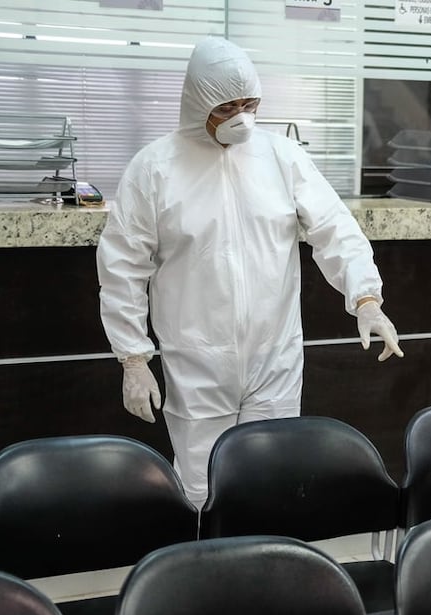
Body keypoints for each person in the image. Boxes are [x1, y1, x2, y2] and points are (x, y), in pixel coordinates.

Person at [96, 36, 403, 508]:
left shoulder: (281, 157)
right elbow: (122, 268)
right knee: (202, 489)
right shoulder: (153, 170)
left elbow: (334, 228)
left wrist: (366, 298)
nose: (241, 116)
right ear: (199, 102)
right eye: (227, 106)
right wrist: (133, 359)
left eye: (250, 103)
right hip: (197, 360)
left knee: (272, 478)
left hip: (275, 356)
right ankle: (206, 577)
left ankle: (268, 578)